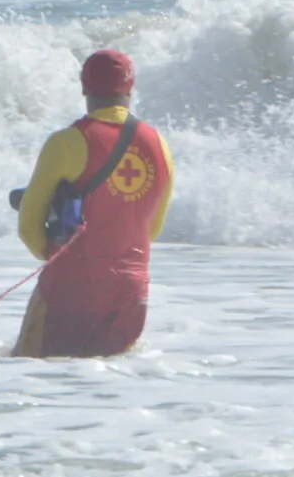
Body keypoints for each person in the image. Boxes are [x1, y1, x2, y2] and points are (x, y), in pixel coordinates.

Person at [12, 48, 174, 358]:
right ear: (130, 87)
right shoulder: (159, 145)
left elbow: (29, 227)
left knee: (40, 383)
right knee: (103, 391)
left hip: (69, 291)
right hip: (130, 295)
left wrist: (57, 257)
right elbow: (151, 227)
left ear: (84, 87)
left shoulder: (66, 143)